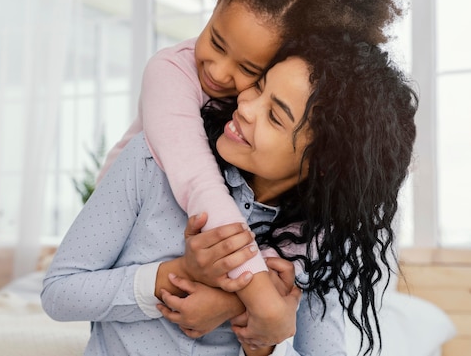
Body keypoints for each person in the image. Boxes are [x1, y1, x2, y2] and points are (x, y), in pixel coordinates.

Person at [41, 30, 418, 356]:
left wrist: (264, 344)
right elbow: (60, 292)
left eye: (275, 116)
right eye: (259, 85)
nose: (246, 107)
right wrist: (178, 276)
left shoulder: (321, 242)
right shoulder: (151, 162)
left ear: (323, 164)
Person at [96, 0, 406, 285]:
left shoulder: (261, 110)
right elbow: (196, 177)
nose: (218, 72)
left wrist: (262, 290)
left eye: (248, 69)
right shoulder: (170, 71)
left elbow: (314, 234)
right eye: (215, 41)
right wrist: (253, 284)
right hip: (118, 227)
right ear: (214, 9)